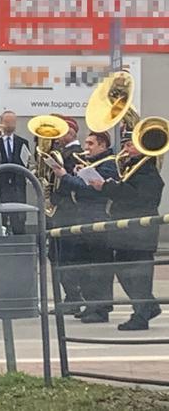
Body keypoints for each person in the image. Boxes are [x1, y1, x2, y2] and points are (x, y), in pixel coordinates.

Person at [91, 130, 164, 331]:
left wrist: (105, 187)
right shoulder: (132, 168)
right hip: (126, 232)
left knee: (138, 275)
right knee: (124, 271)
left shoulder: (148, 172)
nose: (125, 149)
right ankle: (148, 306)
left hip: (139, 233)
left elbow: (134, 196)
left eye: (130, 145)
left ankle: (141, 315)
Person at [52, 131, 118, 323]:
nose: (86, 147)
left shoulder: (109, 164)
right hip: (84, 218)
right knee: (85, 266)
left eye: (91, 143)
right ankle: (91, 304)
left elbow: (90, 189)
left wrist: (65, 176)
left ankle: (101, 308)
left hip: (98, 220)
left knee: (98, 267)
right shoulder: (95, 163)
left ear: (103, 146)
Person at [48, 116, 84, 314]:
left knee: (65, 256)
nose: (57, 136)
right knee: (55, 254)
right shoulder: (61, 152)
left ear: (70, 132)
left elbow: (71, 180)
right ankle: (71, 297)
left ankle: (74, 298)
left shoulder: (76, 154)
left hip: (68, 210)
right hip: (59, 208)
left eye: (60, 132)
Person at [0, 111, 30, 234]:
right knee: (0, 222)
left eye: (12, 122)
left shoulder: (23, 142)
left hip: (17, 189)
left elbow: (25, 164)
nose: (10, 125)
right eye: (7, 122)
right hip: (1, 188)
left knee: (19, 223)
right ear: (1, 123)